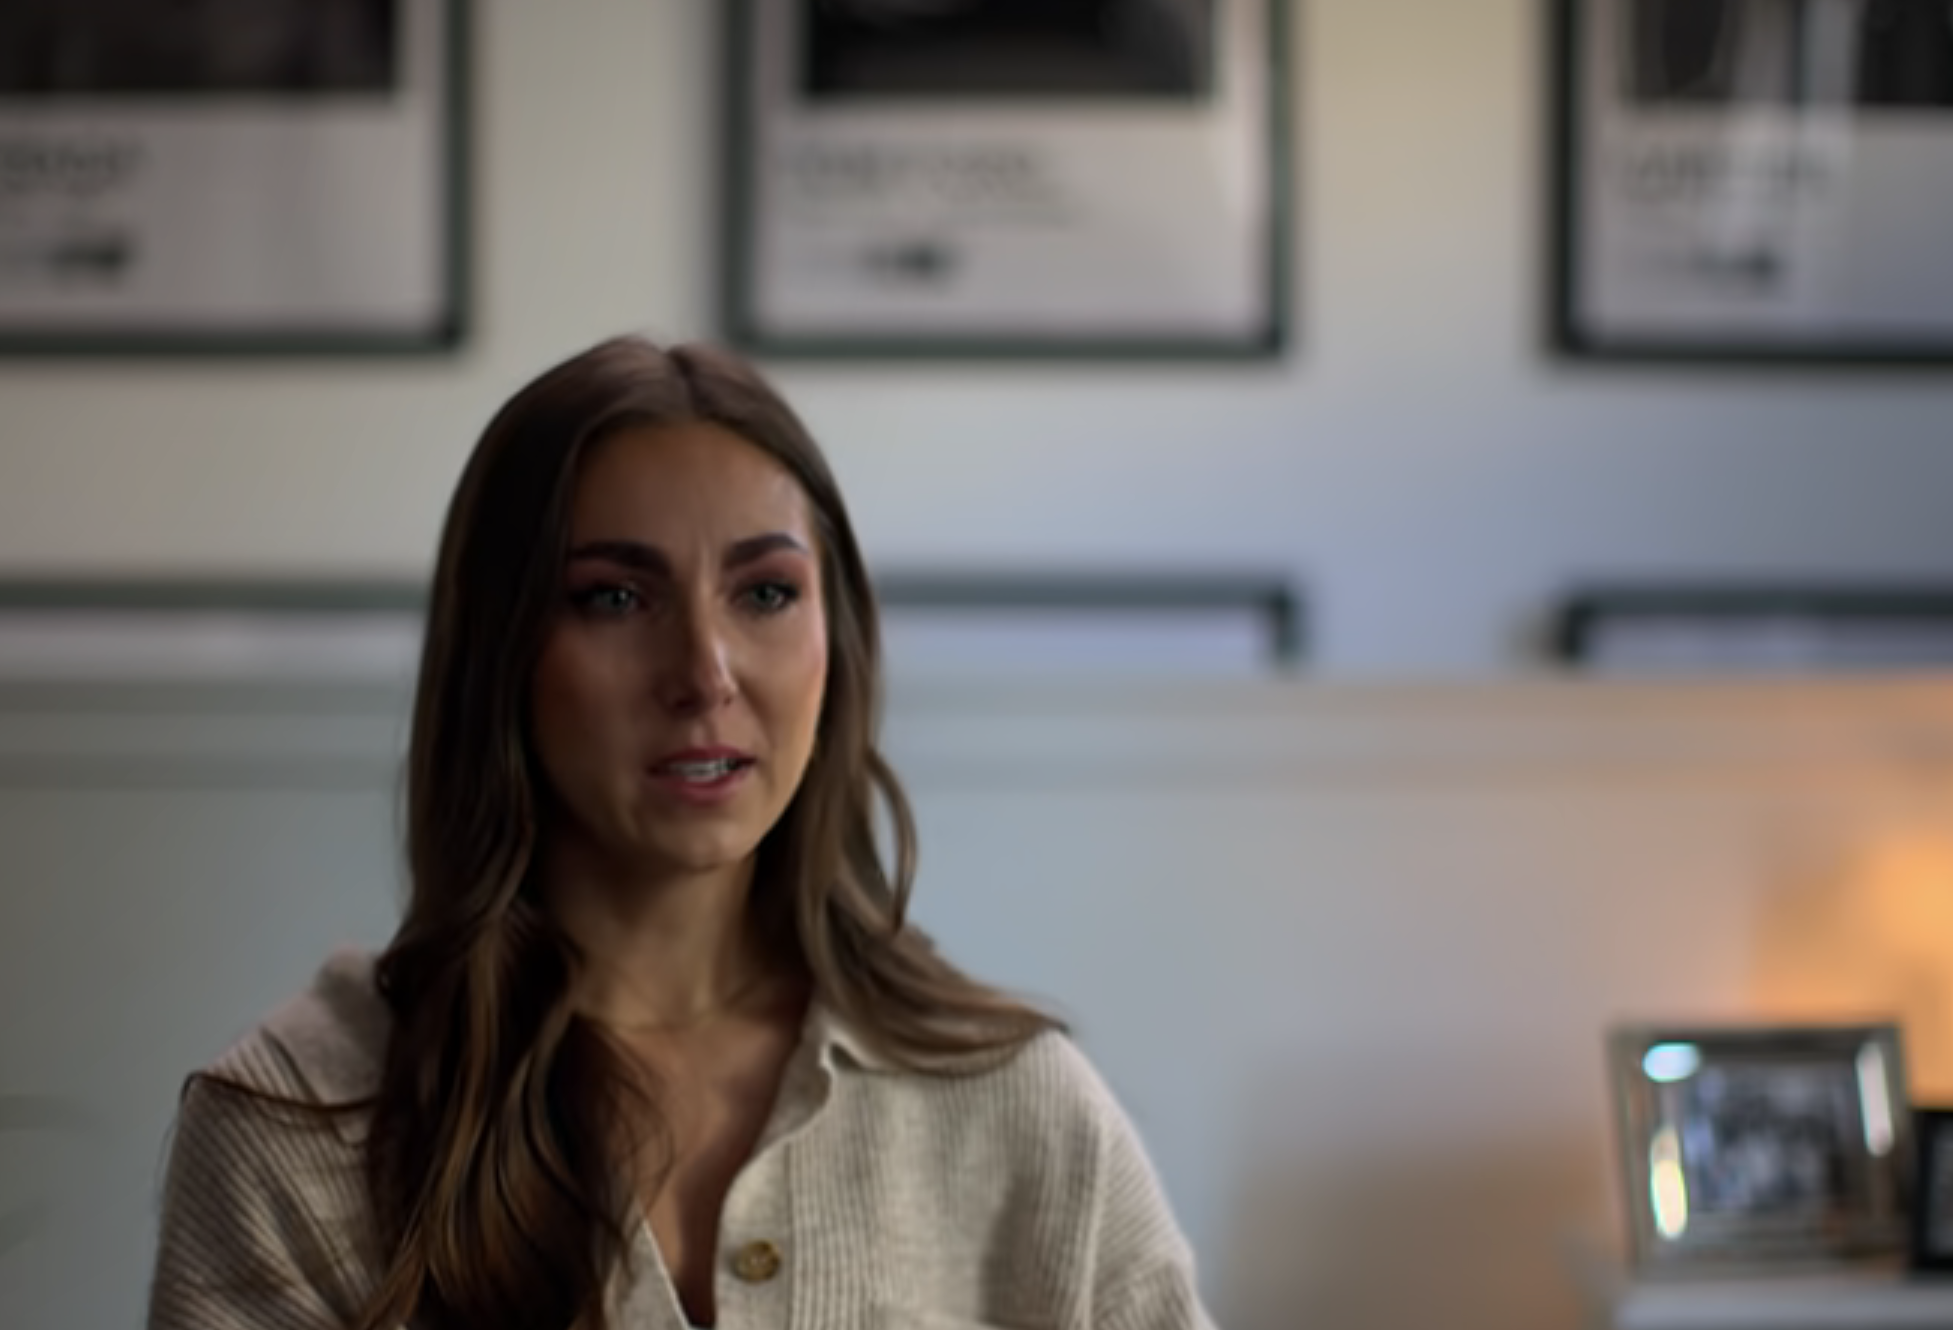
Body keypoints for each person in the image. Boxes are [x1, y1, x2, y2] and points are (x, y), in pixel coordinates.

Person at [145, 335, 1213, 1330]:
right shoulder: (299, 1128)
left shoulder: (1018, 1109)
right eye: (614, 596)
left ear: (831, 644)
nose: (706, 672)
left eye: (764, 592)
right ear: (500, 653)